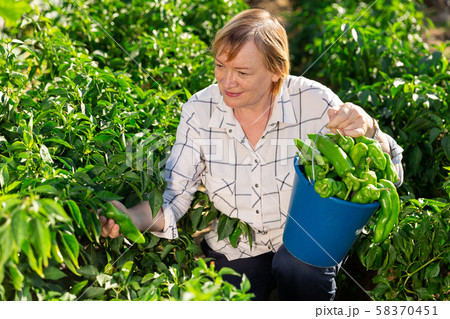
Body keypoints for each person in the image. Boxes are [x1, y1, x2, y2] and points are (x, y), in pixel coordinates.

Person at [100, 8, 404, 301]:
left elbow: (389, 174)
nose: (226, 81)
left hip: (306, 234)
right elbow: (174, 195)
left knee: (298, 268)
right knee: (234, 297)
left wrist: (370, 129)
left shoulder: (315, 103)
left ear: (276, 71)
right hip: (238, 241)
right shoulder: (199, 110)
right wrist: (132, 217)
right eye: (220, 66)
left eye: (242, 72)